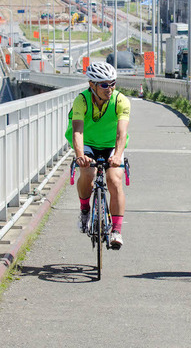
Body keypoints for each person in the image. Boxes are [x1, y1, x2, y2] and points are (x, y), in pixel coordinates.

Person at [65, 61, 131, 249]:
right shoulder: (82, 100)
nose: (109, 88)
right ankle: (85, 209)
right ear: (91, 85)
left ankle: (116, 231)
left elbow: (121, 133)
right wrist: (80, 156)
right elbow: (77, 131)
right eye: (103, 84)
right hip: (88, 143)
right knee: (88, 174)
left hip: (111, 144)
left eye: (112, 83)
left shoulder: (121, 101)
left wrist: (117, 155)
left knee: (114, 180)